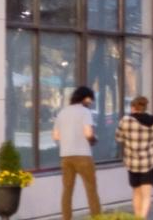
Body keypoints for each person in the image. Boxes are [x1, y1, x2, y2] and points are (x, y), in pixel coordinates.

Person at [119, 96, 153, 219]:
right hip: (149, 161)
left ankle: (138, 218)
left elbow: (119, 138)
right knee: (147, 195)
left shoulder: (125, 120)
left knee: (136, 192)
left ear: (132, 107)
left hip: (132, 162)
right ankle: (142, 218)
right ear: (145, 107)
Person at [53, 86, 100, 219]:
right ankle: (97, 217)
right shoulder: (85, 112)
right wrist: (93, 139)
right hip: (83, 156)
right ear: (85, 98)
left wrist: (67, 140)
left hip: (65, 156)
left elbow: (56, 136)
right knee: (91, 190)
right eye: (90, 99)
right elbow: (88, 133)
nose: (90, 102)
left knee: (67, 191)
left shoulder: (62, 112)